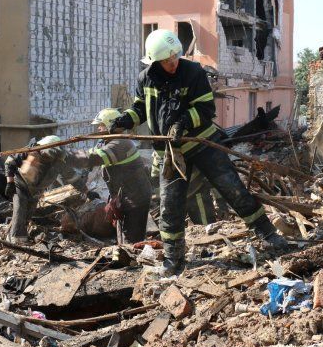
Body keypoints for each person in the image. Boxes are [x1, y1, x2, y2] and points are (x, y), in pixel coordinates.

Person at [110, 29, 287, 276]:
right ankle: (173, 261)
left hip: (201, 144)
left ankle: (269, 235)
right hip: (170, 153)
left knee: (232, 188)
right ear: (154, 61)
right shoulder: (144, 79)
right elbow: (141, 108)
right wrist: (124, 120)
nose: (173, 64)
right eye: (166, 61)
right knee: (169, 206)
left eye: (175, 58)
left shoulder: (193, 72)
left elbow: (206, 109)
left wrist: (183, 122)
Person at [70, 108, 152, 244]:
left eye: (101, 125)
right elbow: (92, 153)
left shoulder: (121, 143)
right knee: (122, 235)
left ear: (110, 125)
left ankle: (135, 261)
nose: (99, 129)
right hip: (124, 196)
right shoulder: (106, 142)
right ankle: (127, 255)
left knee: (132, 239)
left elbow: (94, 157)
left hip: (135, 198)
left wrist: (68, 156)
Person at [4, 136, 87, 244]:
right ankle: (15, 239)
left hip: (37, 190)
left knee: (28, 213)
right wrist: (10, 183)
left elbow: (70, 176)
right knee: (20, 209)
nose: (49, 159)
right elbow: (10, 162)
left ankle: (20, 236)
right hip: (20, 184)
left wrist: (83, 188)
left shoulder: (59, 161)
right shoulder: (29, 151)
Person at [151, 153, 215, 226]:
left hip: (195, 193)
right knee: (173, 227)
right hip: (176, 197)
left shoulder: (184, 146)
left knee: (206, 226)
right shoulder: (160, 151)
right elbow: (155, 177)